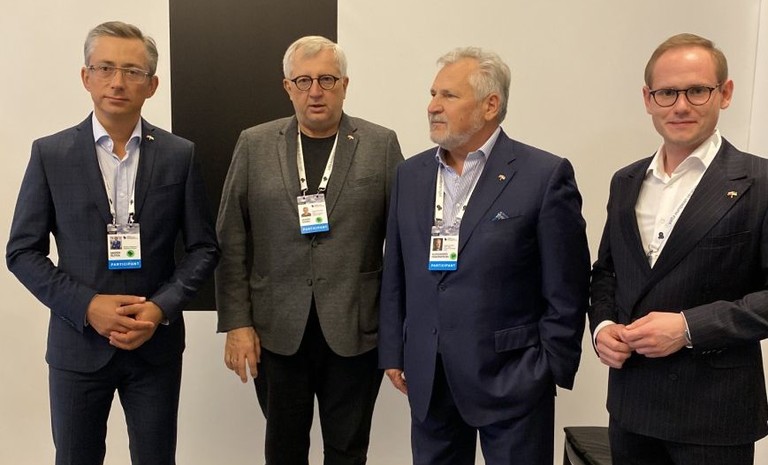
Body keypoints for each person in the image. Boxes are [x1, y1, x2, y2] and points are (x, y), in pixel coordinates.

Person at [5, 21, 219, 465]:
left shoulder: (180, 154)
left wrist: (160, 308)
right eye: (105, 68)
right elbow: (22, 252)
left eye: (132, 71)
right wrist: (87, 306)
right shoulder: (50, 154)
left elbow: (204, 248)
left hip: (154, 347)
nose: (117, 82)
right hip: (77, 346)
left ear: (152, 85)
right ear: (86, 77)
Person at [378, 47, 590, 465]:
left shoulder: (543, 175)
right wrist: (394, 351)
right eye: (433, 94)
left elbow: (568, 284)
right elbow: (396, 271)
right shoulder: (410, 174)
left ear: (490, 105)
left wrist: (547, 367)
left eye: (448, 96)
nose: (432, 106)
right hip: (429, 376)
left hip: (512, 378)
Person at [215, 35, 403, 465]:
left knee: (348, 451)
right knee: (283, 450)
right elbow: (231, 238)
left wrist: (399, 329)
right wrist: (237, 323)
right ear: (288, 87)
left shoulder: (380, 144)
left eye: (327, 79)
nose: (315, 91)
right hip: (277, 332)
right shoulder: (254, 144)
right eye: (303, 80)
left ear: (345, 85)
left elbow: (402, 242)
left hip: (357, 329)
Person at [589, 33, 768, 465]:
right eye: (667, 93)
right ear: (648, 99)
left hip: (714, 416)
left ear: (725, 93)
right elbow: (607, 271)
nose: (681, 106)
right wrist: (603, 326)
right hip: (630, 407)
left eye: (697, 90)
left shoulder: (760, 183)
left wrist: (688, 328)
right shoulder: (625, 181)